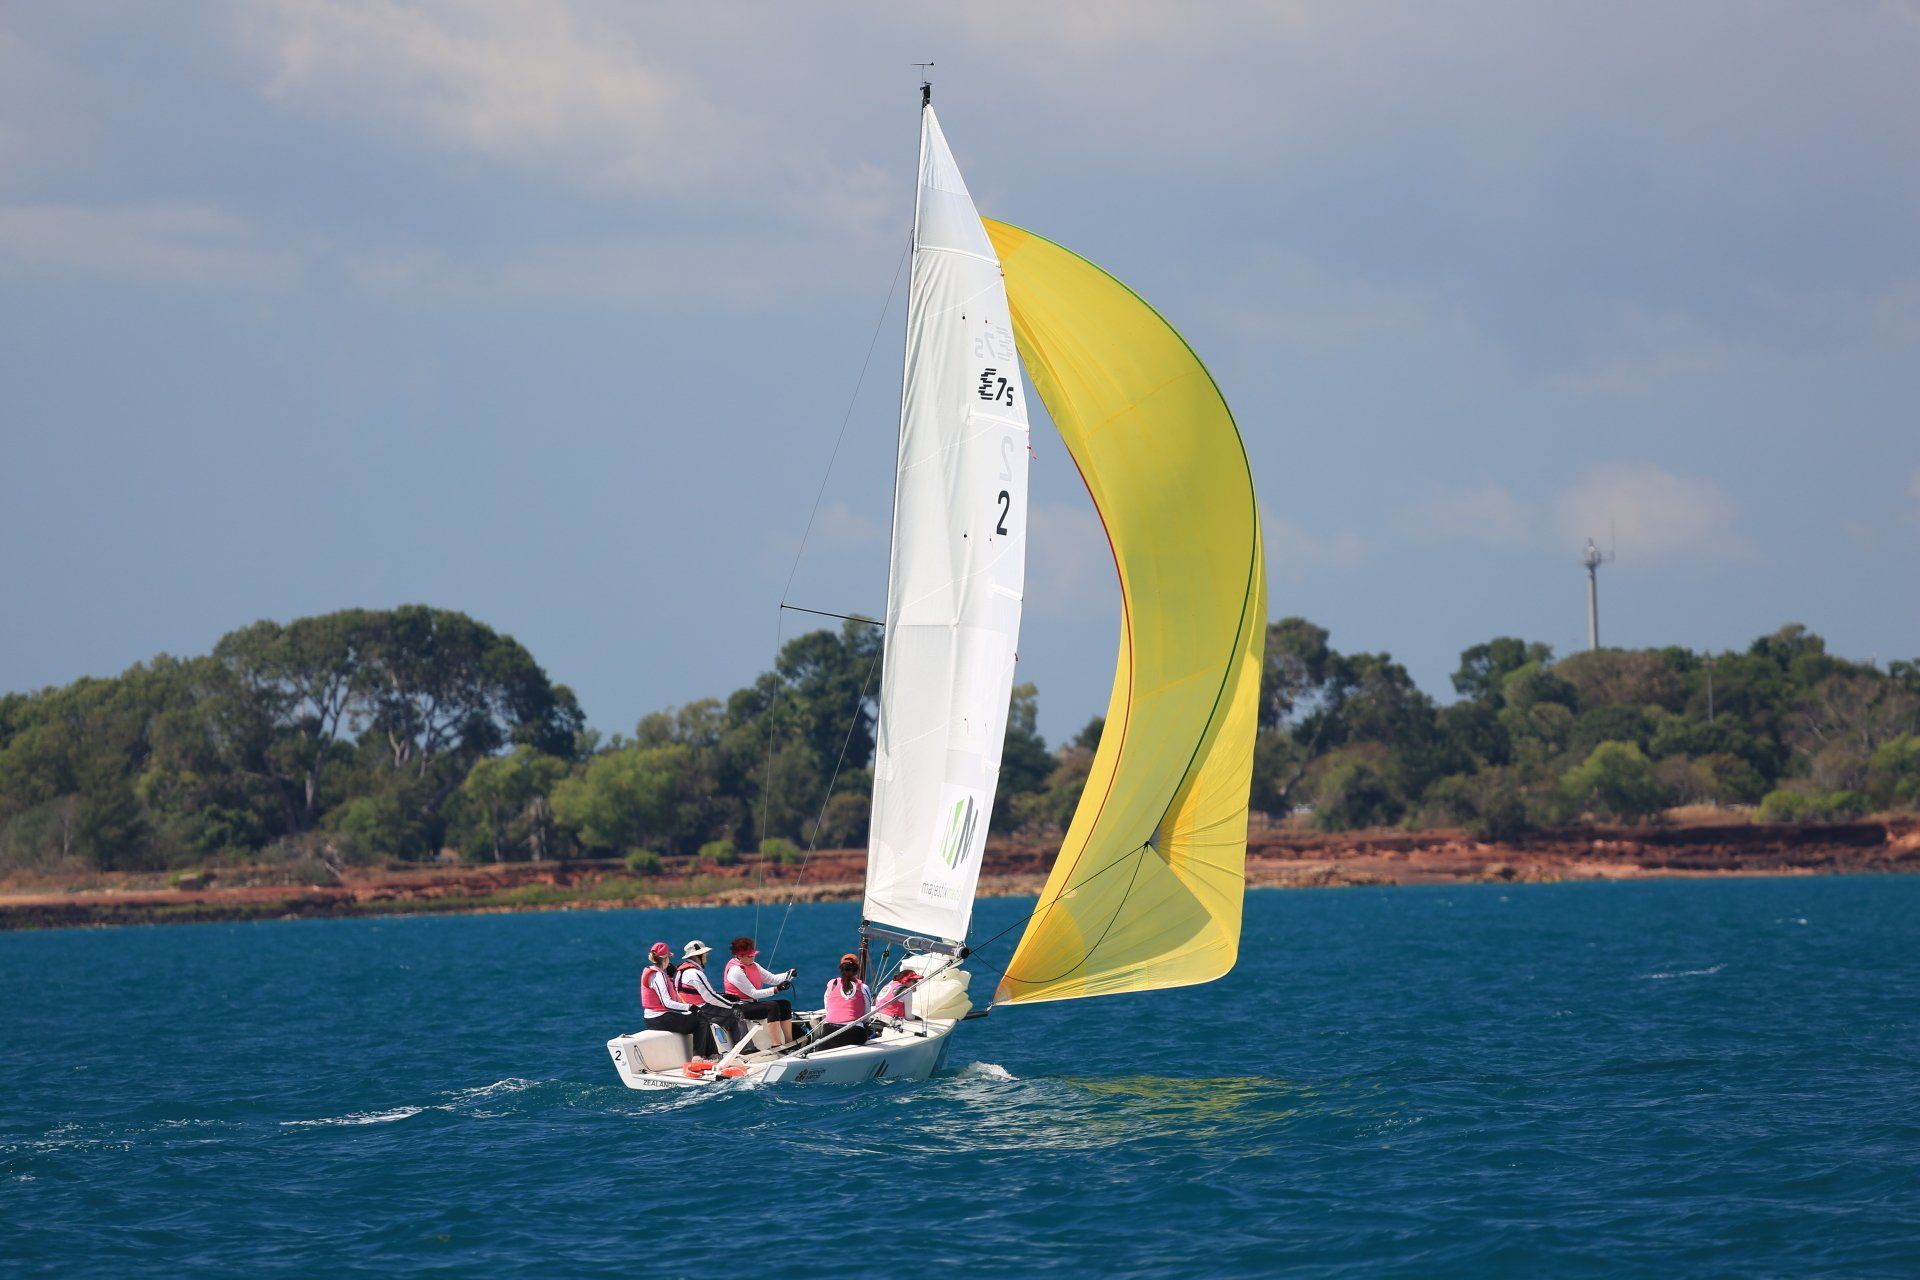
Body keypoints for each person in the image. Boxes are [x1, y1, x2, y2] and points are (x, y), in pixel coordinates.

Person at [675, 940, 754, 1054]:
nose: (707, 955)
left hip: (689, 1011)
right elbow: (710, 997)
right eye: (705, 953)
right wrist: (731, 1004)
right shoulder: (695, 973)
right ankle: (747, 1050)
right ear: (698, 956)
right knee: (736, 1012)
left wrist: (725, 996)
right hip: (701, 1010)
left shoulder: (681, 971)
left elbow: (699, 994)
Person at [640, 940, 714, 1057]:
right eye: (668, 958)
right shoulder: (658, 975)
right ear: (665, 959)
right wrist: (690, 1007)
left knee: (700, 1018)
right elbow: (667, 1003)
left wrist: (669, 976)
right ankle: (698, 1057)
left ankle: (711, 1055)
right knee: (701, 1021)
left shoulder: (656, 973)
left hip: (654, 1018)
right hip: (659, 1019)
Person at [723, 937, 797, 1048]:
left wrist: (788, 975)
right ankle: (776, 1045)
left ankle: (789, 1042)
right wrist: (777, 989)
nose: (753, 957)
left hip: (750, 1004)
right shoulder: (735, 970)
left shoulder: (754, 965)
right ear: (739, 956)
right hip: (738, 1008)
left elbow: (772, 979)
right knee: (772, 1007)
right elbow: (753, 993)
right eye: (749, 955)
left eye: (753, 954)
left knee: (785, 1004)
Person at [817, 953, 873, 1049]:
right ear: (857, 970)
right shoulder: (863, 987)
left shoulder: (831, 985)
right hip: (854, 1033)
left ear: (841, 969)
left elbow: (828, 1009)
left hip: (829, 1032)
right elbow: (866, 1016)